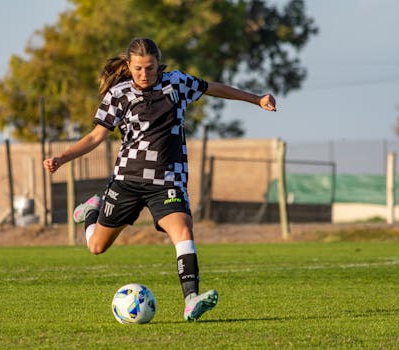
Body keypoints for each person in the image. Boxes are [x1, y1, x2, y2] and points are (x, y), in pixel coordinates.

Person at [43, 38, 276, 321]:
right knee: (96, 247)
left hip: (167, 180)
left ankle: (191, 300)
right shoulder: (119, 94)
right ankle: (93, 210)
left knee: (184, 231)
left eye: (150, 68)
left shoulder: (176, 84)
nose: (144, 74)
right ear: (129, 66)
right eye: (138, 68)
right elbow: (95, 137)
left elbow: (213, 88)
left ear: (159, 64)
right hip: (127, 180)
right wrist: (61, 159)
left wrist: (256, 99)